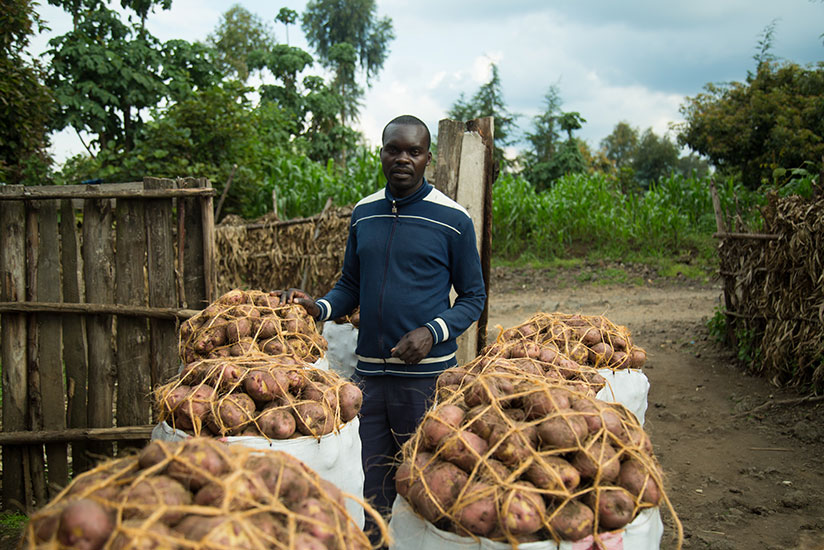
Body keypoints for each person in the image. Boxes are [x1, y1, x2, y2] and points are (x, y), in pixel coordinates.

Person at [281, 114, 486, 529]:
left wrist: (432, 332)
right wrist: (318, 308)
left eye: (414, 151)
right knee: (370, 487)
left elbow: (473, 297)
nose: (403, 158)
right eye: (394, 149)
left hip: (425, 379)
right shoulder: (365, 213)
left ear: (428, 158)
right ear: (381, 154)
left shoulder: (453, 220)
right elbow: (351, 285)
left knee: (424, 482)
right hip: (368, 380)